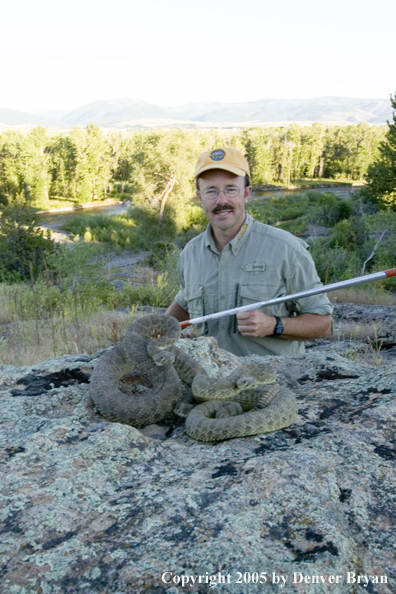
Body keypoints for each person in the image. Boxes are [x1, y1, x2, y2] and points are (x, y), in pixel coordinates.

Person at [166, 147, 333, 357]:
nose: (221, 200)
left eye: (230, 189)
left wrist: (274, 325)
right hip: (211, 381)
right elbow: (184, 302)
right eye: (211, 191)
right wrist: (155, 331)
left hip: (274, 380)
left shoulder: (288, 250)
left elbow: (323, 324)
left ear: (246, 193)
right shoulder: (190, 254)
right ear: (200, 197)